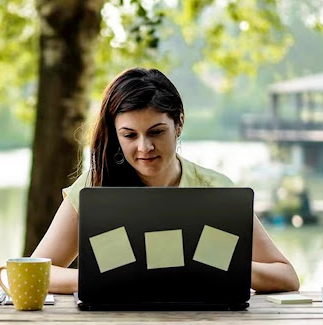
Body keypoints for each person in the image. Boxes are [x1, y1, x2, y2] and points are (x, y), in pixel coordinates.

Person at [31, 67, 300, 294]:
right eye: (129, 135)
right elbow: (36, 270)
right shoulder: (96, 186)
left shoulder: (216, 190)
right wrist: (101, 281)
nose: (144, 147)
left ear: (179, 124)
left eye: (156, 132)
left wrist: (224, 265)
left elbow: (286, 277)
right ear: (115, 135)